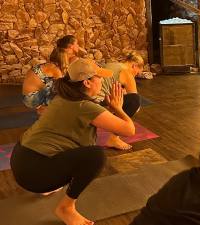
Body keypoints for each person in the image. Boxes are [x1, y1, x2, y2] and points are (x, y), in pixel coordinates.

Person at [11, 59, 135, 225]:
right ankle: (66, 208)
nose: (102, 80)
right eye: (99, 77)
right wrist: (119, 108)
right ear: (87, 82)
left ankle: (51, 182)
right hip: (34, 173)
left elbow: (91, 118)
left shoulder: (62, 98)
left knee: (80, 150)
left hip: (21, 161)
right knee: (95, 156)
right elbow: (129, 130)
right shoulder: (85, 107)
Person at [95, 52, 144, 150]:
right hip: (97, 101)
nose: (135, 76)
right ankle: (113, 138)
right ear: (134, 66)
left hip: (93, 96)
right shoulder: (127, 72)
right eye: (137, 73)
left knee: (122, 96)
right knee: (135, 101)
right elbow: (134, 100)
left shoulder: (112, 64)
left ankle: (110, 119)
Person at [22, 47, 68, 114]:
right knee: (58, 87)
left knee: (52, 83)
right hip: (32, 100)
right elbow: (62, 88)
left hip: (26, 98)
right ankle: (45, 108)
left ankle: (43, 106)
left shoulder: (45, 65)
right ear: (64, 59)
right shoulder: (55, 69)